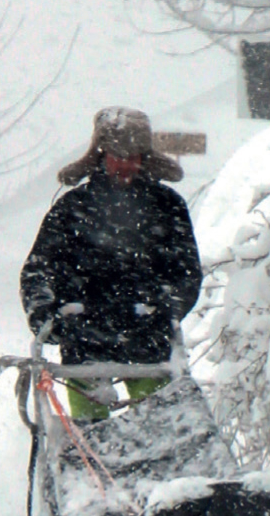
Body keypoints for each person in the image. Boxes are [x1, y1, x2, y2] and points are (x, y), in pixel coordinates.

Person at [20, 107, 203, 420]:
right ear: (101, 155)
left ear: (145, 157)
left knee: (156, 426)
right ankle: (87, 461)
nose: (127, 165)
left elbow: (187, 272)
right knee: (87, 431)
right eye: (119, 156)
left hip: (147, 341)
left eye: (134, 156)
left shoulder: (167, 207)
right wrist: (44, 314)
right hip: (83, 339)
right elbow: (39, 269)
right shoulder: (71, 209)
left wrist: (164, 309)